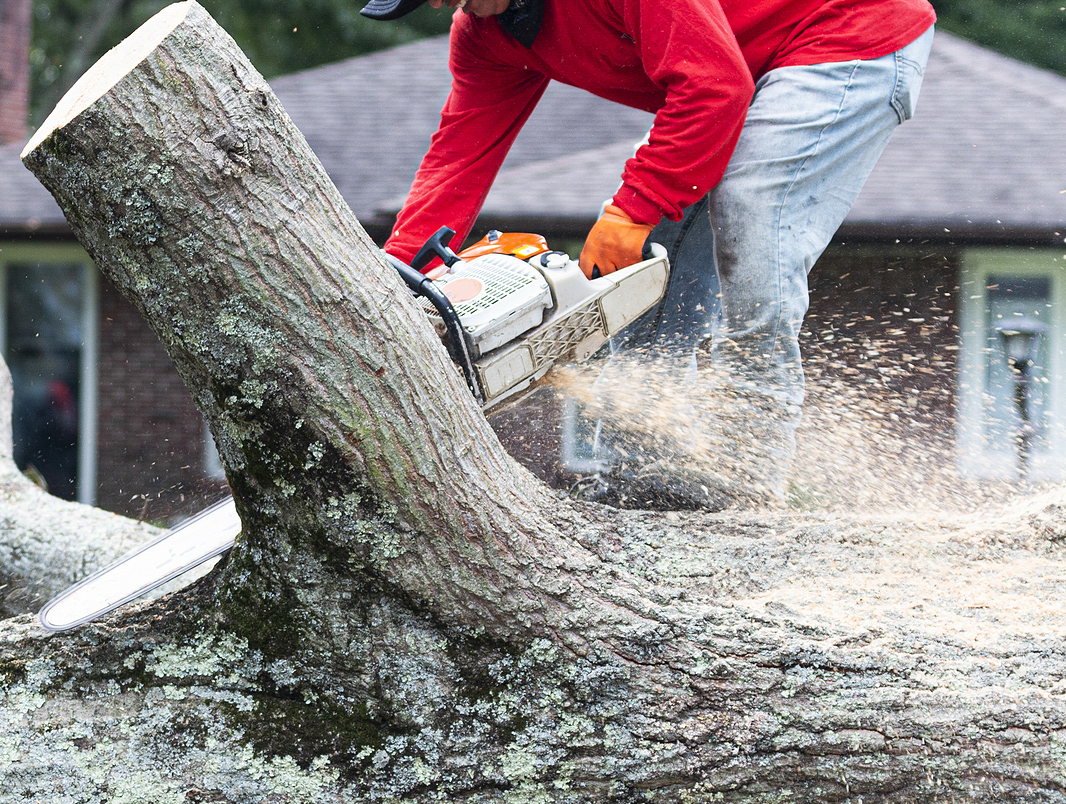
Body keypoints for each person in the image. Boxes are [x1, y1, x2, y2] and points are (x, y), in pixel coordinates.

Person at [362, 0, 936, 509]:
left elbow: (713, 89)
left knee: (750, 212)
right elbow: (458, 159)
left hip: (845, 34)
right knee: (646, 266)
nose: (440, 5)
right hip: (741, 68)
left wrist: (633, 208)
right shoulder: (485, 35)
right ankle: (642, 480)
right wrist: (397, 284)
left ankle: (749, 484)